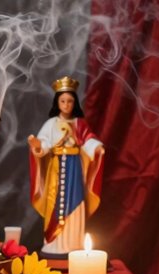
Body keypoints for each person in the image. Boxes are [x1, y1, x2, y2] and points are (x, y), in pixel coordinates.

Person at [28, 76, 105, 255]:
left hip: (74, 168)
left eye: (70, 101)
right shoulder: (51, 124)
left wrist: (97, 147)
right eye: (62, 101)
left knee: (76, 201)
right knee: (54, 204)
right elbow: (44, 144)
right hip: (56, 169)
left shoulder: (79, 123)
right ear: (57, 103)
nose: (66, 105)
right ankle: (54, 243)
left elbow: (88, 140)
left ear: (74, 103)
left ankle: (73, 242)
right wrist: (37, 146)